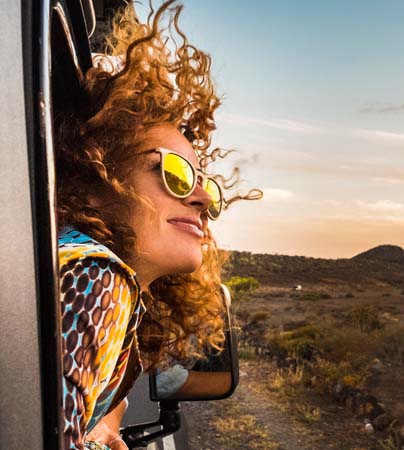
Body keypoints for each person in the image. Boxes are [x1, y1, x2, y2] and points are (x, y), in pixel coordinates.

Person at [55, 2, 259, 449]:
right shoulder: (98, 277)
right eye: (175, 174)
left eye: (204, 183)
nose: (203, 197)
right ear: (96, 178)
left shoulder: (65, 270)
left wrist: (97, 419)